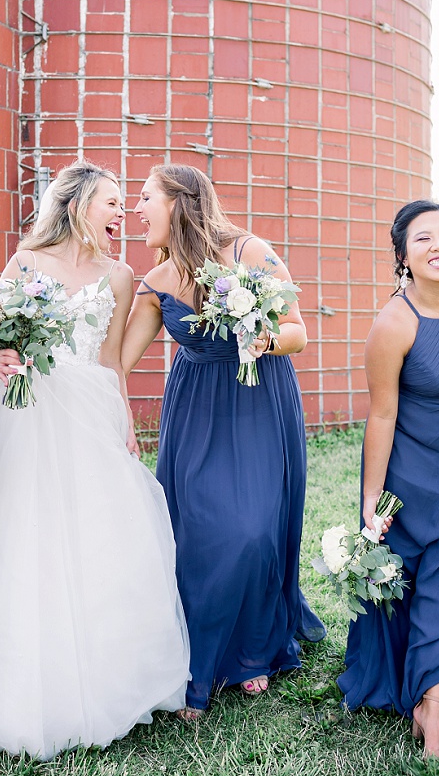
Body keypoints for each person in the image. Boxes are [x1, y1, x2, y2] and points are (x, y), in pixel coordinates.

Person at [0, 162, 189, 757]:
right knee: (14, 531)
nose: (122, 213)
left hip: (87, 409)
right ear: (77, 205)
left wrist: (125, 427)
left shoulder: (122, 275)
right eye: (112, 203)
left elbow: (115, 358)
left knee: (94, 534)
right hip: (22, 408)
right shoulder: (26, 263)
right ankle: (9, 682)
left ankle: (100, 680)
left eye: (126, 204)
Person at [121, 163, 325, 717]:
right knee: (199, 530)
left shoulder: (251, 252)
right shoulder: (157, 280)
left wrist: (263, 337)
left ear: (181, 202)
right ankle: (199, 660)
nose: (135, 209)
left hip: (258, 400)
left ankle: (254, 647)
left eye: (144, 198)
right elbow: (117, 361)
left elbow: (298, 332)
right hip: (196, 407)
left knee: (253, 530)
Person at [339, 200, 439, 766]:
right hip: (418, 470)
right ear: (403, 257)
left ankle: (438, 698)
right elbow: (382, 415)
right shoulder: (394, 322)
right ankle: (432, 711)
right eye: (423, 239)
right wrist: (372, 500)